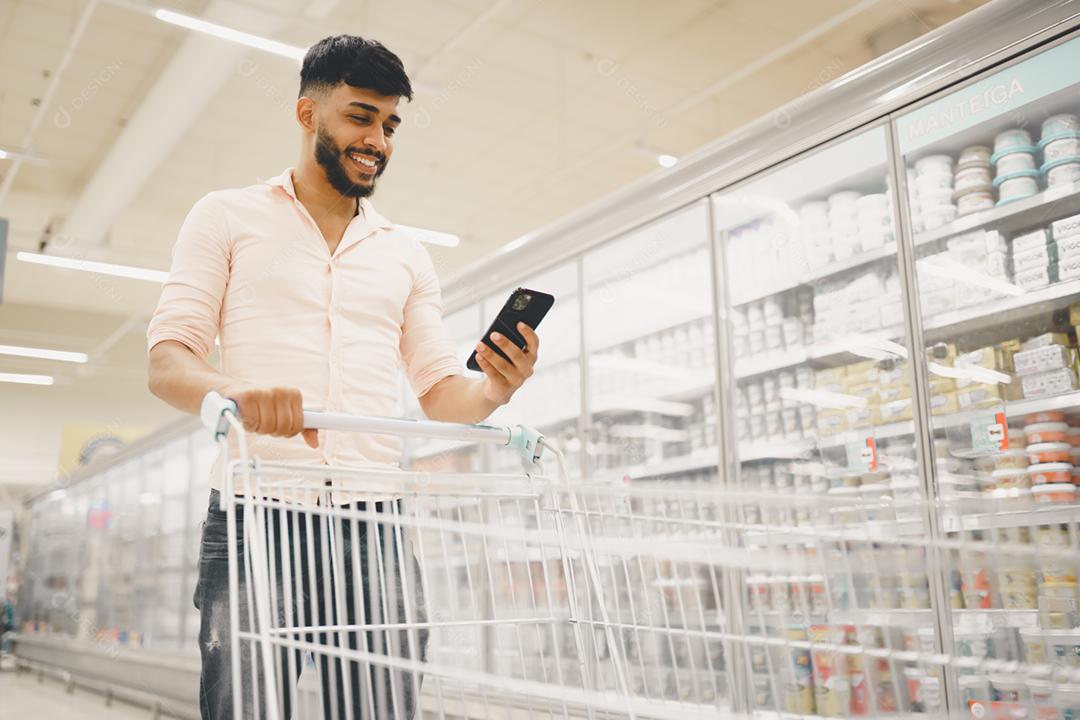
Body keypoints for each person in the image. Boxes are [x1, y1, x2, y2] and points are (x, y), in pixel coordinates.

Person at [146, 34, 540, 720]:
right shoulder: (226, 217)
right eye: (361, 116)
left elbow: (443, 393)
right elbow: (167, 359)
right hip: (256, 518)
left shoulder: (405, 254)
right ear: (308, 114)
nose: (378, 140)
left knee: (382, 708)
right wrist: (232, 393)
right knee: (246, 707)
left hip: (373, 523)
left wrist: (497, 388)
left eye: (389, 125)